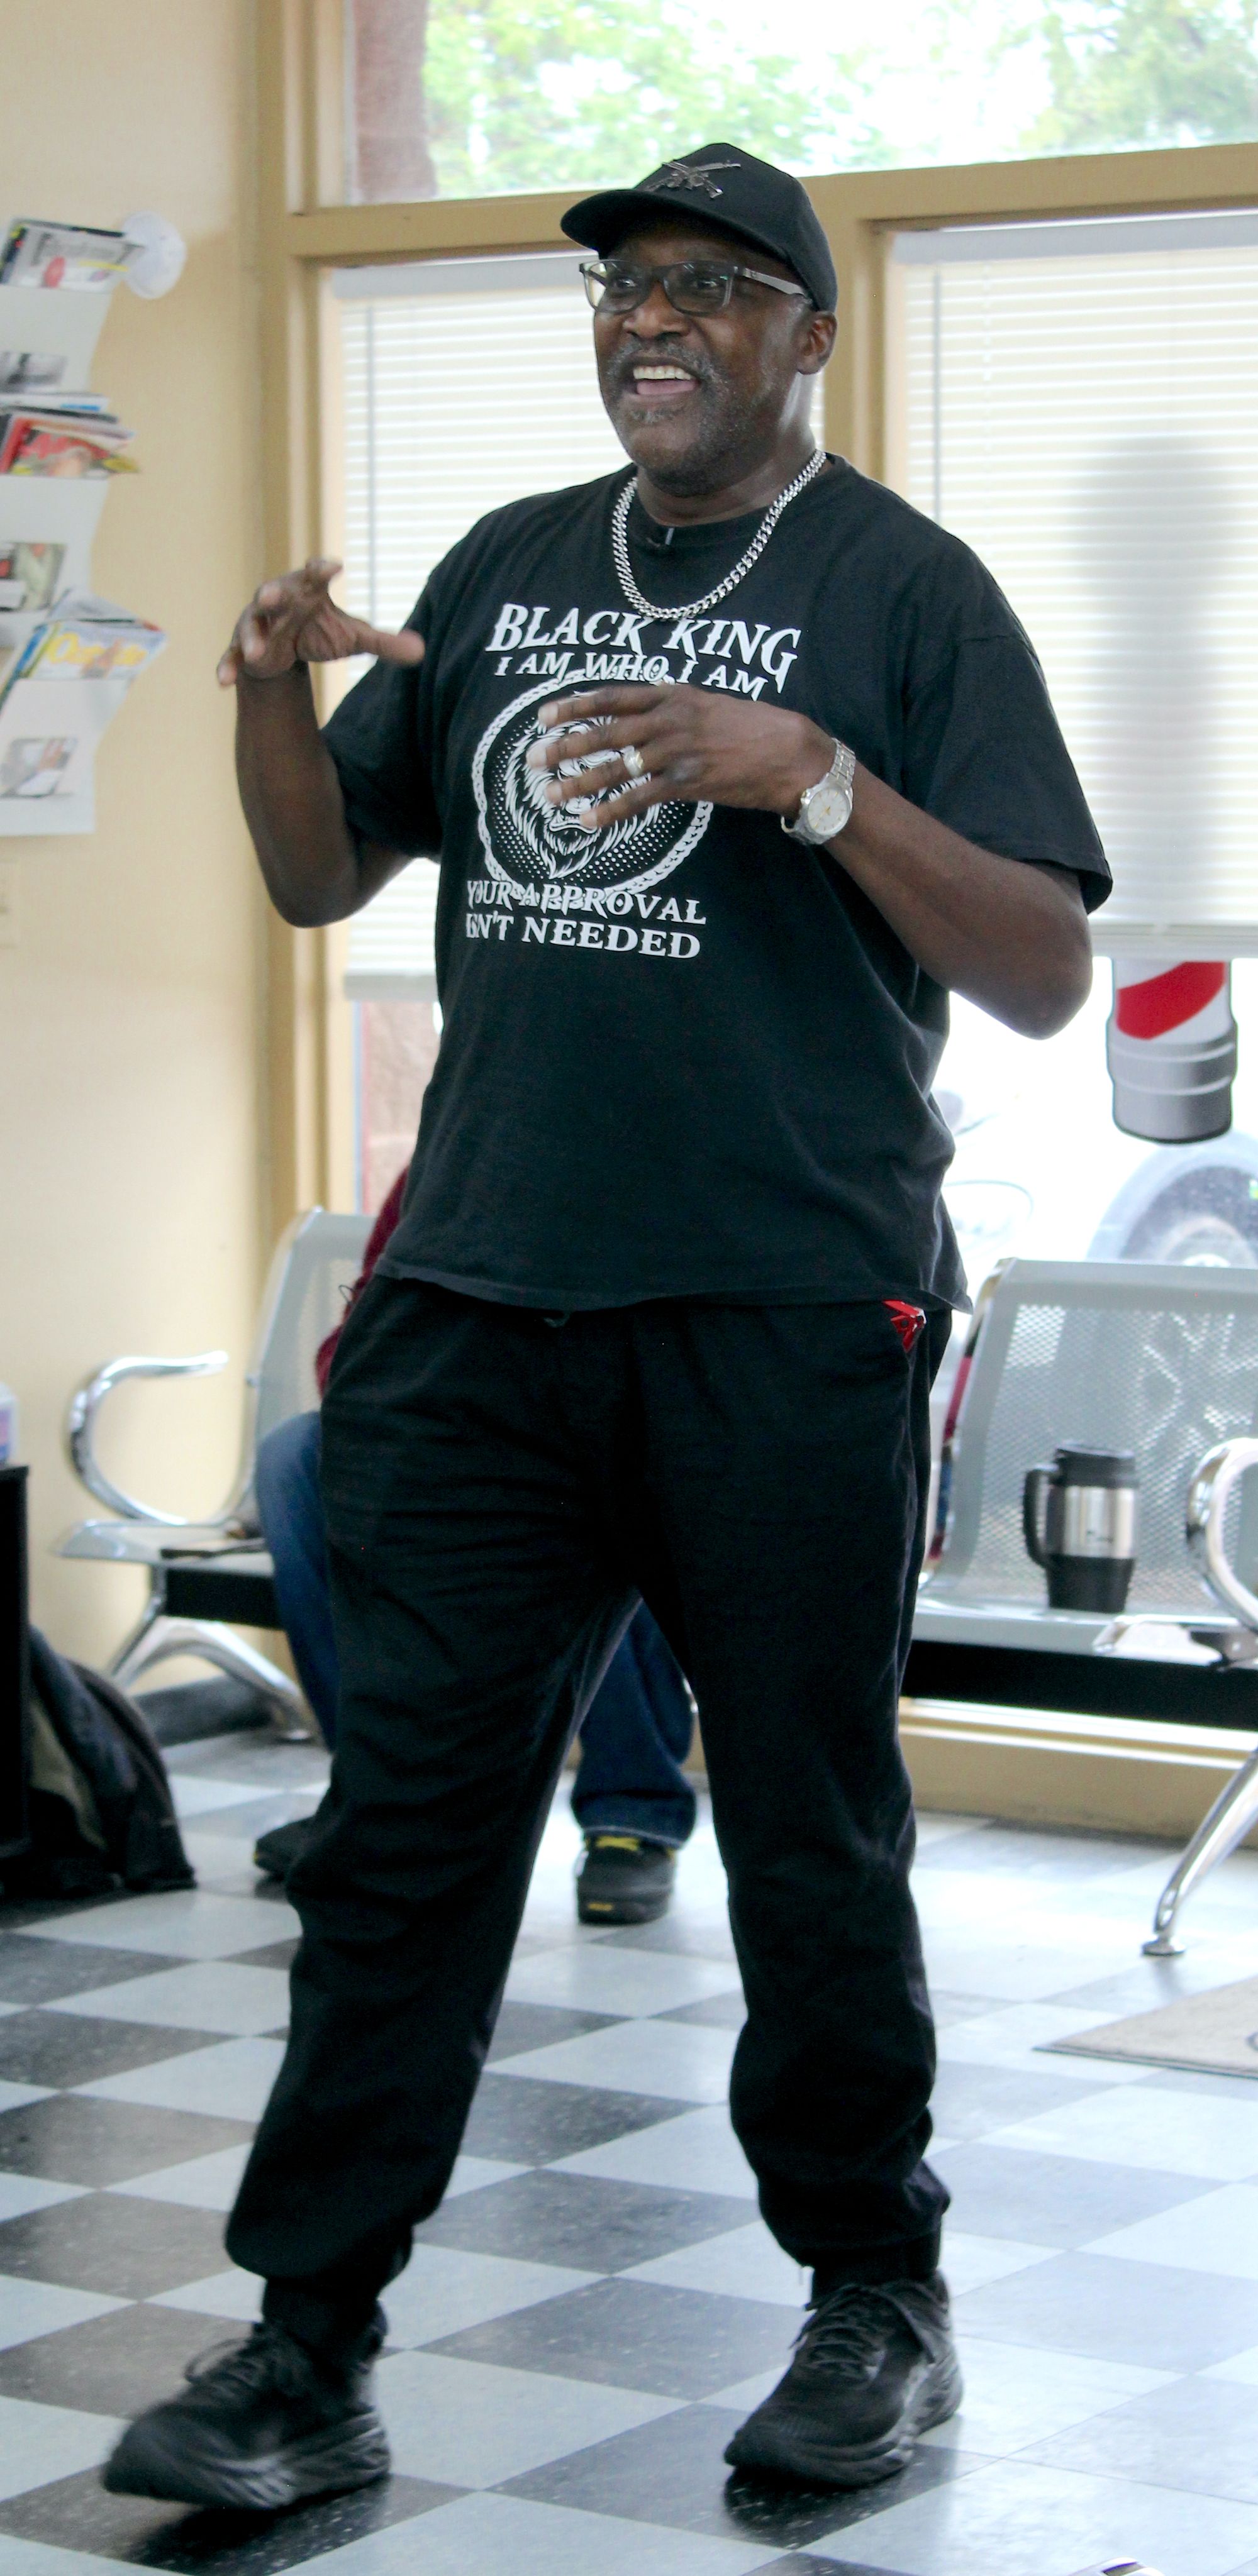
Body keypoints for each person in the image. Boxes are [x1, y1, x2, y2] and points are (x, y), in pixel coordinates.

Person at [105, 141, 1108, 2513]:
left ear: (804, 336)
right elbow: (314, 867)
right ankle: (304, 2345)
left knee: (806, 1827)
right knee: (405, 1844)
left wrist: (816, 776)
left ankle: (872, 2299)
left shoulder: (905, 592)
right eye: (622, 290)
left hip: (780, 1304)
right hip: (476, 1299)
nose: (647, 320)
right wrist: (264, 697)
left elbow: (1043, 965)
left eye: (706, 289)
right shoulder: (505, 565)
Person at [253, 1169, 696, 1918]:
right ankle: (373, 1799)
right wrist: (385, 1403)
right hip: (440, 1418)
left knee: (577, 1481)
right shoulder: (441, 1160)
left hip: (601, 1420)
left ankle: (632, 1811)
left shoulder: (642, 1150)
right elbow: (363, 1320)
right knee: (295, 1458)